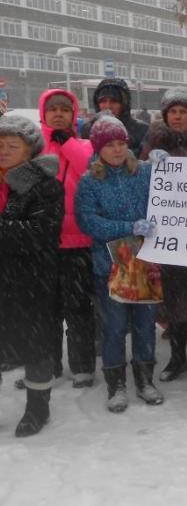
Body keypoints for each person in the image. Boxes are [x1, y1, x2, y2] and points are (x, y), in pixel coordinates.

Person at [75, 115, 164, 413]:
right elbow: (88, 221)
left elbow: (174, 189)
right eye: (109, 144)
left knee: (144, 325)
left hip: (144, 262)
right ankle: (116, 383)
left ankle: (144, 379)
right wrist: (129, 226)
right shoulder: (90, 182)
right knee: (114, 327)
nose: (116, 150)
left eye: (121, 143)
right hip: (112, 264)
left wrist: (167, 165)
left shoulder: (142, 172)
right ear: (98, 148)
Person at [142, 89, 187, 384]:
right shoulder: (154, 144)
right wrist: (150, 166)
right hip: (168, 234)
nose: (177, 116)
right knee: (171, 298)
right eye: (172, 111)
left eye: (183, 111)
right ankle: (177, 359)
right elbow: (139, 181)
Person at [0, 114, 64, 436]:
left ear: (29, 150)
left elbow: (40, 233)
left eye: (12, 145)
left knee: (36, 345)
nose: (4, 151)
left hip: (31, 281)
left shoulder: (45, 185)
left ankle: (38, 409)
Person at [39, 88, 96, 388]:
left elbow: (89, 168)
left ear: (74, 114)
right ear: (43, 114)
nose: (58, 113)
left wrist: (68, 143)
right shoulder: (35, 148)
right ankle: (47, 364)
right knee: (46, 310)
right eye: (53, 109)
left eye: (64, 108)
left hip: (78, 243)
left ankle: (83, 365)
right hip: (43, 243)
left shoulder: (84, 144)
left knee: (79, 309)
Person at [78, 78, 149, 157]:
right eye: (103, 101)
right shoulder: (89, 129)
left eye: (114, 101)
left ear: (124, 103)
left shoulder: (141, 129)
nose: (108, 106)